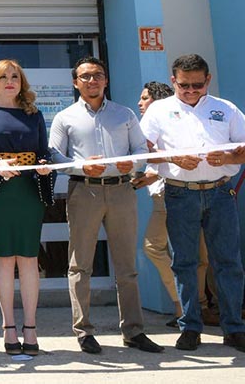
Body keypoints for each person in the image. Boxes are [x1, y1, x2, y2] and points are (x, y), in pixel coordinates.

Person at [49, 56, 163, 354]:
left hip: (121, 190)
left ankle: (134, 331)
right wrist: (81, 165)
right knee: (80, 265)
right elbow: (54, 156)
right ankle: (83, 331)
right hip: (83, 191)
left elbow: (140, 149)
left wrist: (133, 163)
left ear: (106, 80)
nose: (92, 81)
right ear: (75, 82)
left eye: (97, 75)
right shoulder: (65, 117)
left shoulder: (125, 114)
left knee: (127, 266)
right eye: (85, 76)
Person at [140, 54, 245, 352]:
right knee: (184, 262)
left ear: (208, 80)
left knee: (228, 262)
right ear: (173, 81)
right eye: (184, 85)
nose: (190, 91)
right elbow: (141, 149)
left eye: (197, 85)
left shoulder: (226, 109)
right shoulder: (159, 110)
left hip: (220, 192)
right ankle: (189, 327)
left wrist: (228, 157)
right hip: (179, 193)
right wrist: (172, 158)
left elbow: (243, 148)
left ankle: (234, 328)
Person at [0, 59, 54, 356]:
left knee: (28, 257)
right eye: (3, 77)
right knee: (4, 258)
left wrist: (44, 166)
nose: (10, 81)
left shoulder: (34, 114)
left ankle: (31, 327)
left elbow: (43, 152)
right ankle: (9, 327)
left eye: (15, 76)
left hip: (28, 190)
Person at [134, 81, 218, 329]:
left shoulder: (172, 122)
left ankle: (191, 305)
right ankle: (193, 305)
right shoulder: (148, 127)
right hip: (165, 196)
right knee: (190, 254)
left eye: (145, 98)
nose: (140, 103)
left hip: (177, 194)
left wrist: (153, 174)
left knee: (180, 251)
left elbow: (179, 158)